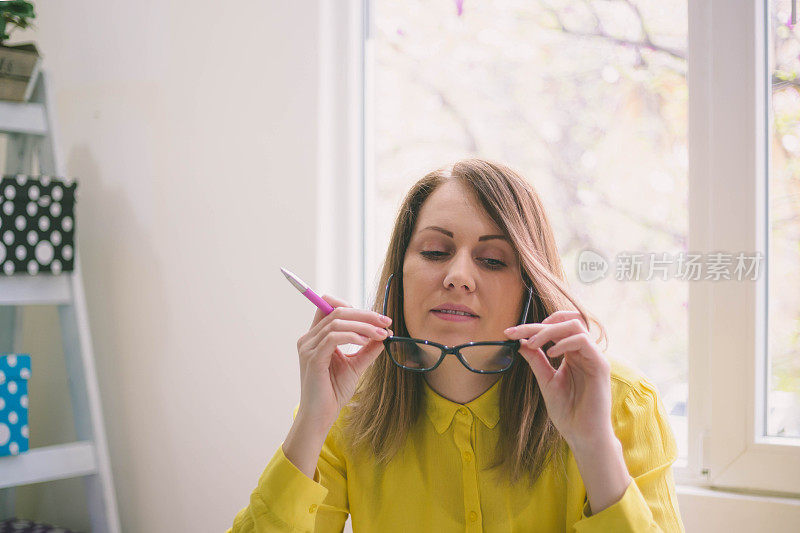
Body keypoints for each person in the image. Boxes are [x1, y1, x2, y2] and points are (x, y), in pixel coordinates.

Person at [227, 158, 685, 532]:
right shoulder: (348, 407)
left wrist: (593, 446)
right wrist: (312, 421)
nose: (457, 277)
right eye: (434, 252)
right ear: (399, 272)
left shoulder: (622, 404)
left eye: (491, 259)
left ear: (530, 284)